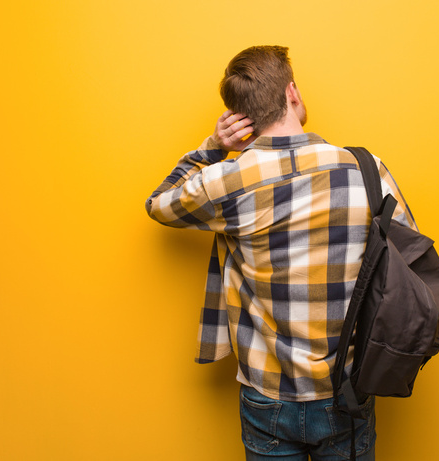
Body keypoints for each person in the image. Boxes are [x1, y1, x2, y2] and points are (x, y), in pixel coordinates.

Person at [146, 45, 417, 460]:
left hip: (268, 396)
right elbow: (408, 258)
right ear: (292, 92)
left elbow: (159, 204)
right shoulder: (365, 169)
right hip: (345, 388)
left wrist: (214, 147)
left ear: (242, 118)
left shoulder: (226, 182)